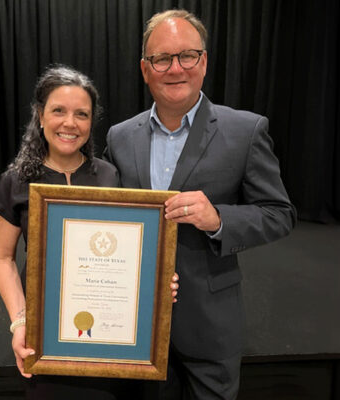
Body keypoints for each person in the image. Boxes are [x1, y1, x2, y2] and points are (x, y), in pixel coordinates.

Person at [104, 10, 296, 400]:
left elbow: (280, 214)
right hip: (133, 323)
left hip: (210, 326)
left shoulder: (246, 130)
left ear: (204, 62)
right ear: (145, 69)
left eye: (187, 56)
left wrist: (218, 219)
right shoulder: (120, 137)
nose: (175, 68)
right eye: (161, 59)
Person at [0, 65, 179, 399]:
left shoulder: (109, 175)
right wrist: (19, 322)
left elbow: (129, 251)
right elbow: (3, 260)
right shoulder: (16, 180)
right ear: (40, 115)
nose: (70, 123)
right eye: (58, 111)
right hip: (45, 333)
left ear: (92, 122)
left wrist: (158, 279)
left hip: (112, 332)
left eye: (82, 114)